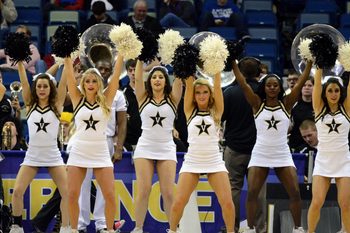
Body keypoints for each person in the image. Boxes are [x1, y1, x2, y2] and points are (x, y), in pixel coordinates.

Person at [232, 59, 312, 233]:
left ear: (280, 87)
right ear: (264, 87)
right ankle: (251, 228)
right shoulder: (256, 104)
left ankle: (298, 228)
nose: (272, 88)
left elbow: (299, 83)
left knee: (295, 193)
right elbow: (243, 84)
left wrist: (309, 65)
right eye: (269, 85)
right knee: (252, 193)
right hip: (260, 152)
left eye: (276, 85)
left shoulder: (287, 104)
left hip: (282, 153)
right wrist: (233, 64)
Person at [63, 52, 123, 232]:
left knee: (110, 195)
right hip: (79, 150)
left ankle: (109, 230)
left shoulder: (107, 100)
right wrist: (67, 56)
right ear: (83, 83)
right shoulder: (76, 98)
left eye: (94, 81)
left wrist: (121, 55)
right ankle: (74, 229)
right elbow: (68, 72)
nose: (90, 84)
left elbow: (115, 78)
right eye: (87, 81)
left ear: (99, 84)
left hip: (100, 151)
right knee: (72, 195)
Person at [168, 73, 235, 232]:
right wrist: (188, 61)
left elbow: (218, 86)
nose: (201, 95)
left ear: (210, 94)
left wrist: (216, 64)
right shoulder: (189, 110)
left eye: (205, 92)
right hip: (192, 160)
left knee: (226, 202)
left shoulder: (216, 112)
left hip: (214, 160)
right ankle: (172, 230)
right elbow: (189, 84)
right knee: (178, 202)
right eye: (198, 92)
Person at [9, 59, 70, 233]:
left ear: (51, 88)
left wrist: (66, 60)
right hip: (33, 155)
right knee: (17, 191)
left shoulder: (57, 105)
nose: (42, 89)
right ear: (35, 88)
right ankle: (16, 226)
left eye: (45, 86)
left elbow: (64, 80)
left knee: (67, 193)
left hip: (53, 155)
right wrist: (20, 60)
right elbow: (23, 79)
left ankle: (66, 227)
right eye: (39, 86)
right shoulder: (30, 104)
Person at [130, 61, 182, 233]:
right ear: (149, 81)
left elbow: (180, 80)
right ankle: (138, 228)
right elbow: (137, 78)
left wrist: (179, 58)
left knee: (168, 192)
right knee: (143, 190)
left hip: (166, 147)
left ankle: (174, 229)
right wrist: (140, 58)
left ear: (166, 81)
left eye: (161, 77)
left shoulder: (173, 99)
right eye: (154, 77)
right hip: (145, 147)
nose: (157, 80)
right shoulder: (142, 98)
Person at [222, 57, 266, 233]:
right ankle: (260, 229)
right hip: (259, 151)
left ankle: (231, 228)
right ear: (259, 73)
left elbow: (220, 118)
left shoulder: (230, 92)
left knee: (233, 189)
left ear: (238, 72)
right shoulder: (265, 93)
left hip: (234, 149)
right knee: (259, 191)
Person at [307, 69, 350, 233]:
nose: (333, 94)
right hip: (323, 162)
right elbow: (317, 83)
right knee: (317, 202)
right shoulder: (318, 108)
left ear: (341, 92)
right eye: (330, 90)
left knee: (345, 204)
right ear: (324, 92)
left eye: (337, 90)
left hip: (343, 162)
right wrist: (319, 65)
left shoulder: (347, 108)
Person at [120, 59, 142, 151]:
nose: (133, 73)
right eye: (130, 70)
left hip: (146, 140)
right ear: (127, 72)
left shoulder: (149, 92)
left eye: (135, 69)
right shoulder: (122, 93)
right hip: (129, 141)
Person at [289, 77, 314, 152]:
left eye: (310, 85)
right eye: (304, 85)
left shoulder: (319, 106)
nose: (306, 88)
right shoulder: (293, 105)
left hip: (314, 146)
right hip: (296, 146)